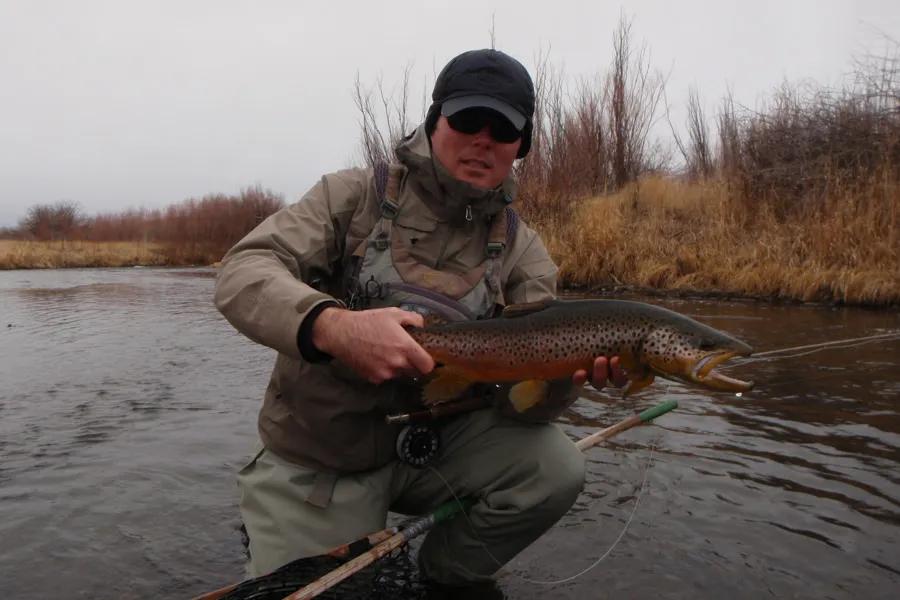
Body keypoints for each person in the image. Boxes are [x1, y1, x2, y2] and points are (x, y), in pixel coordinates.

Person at [214, 48, 625, 592]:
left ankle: (445, 577)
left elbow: (522, 408)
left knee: (554, 469)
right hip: (323, 453)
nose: (483, 138)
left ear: (519, 147)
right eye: (467, 119)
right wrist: (333, 327)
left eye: (503, 128)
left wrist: (563, 384)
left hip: (439, 449)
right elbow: (243, 270)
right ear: (435, 121)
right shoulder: (351, 196)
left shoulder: (524, 253)